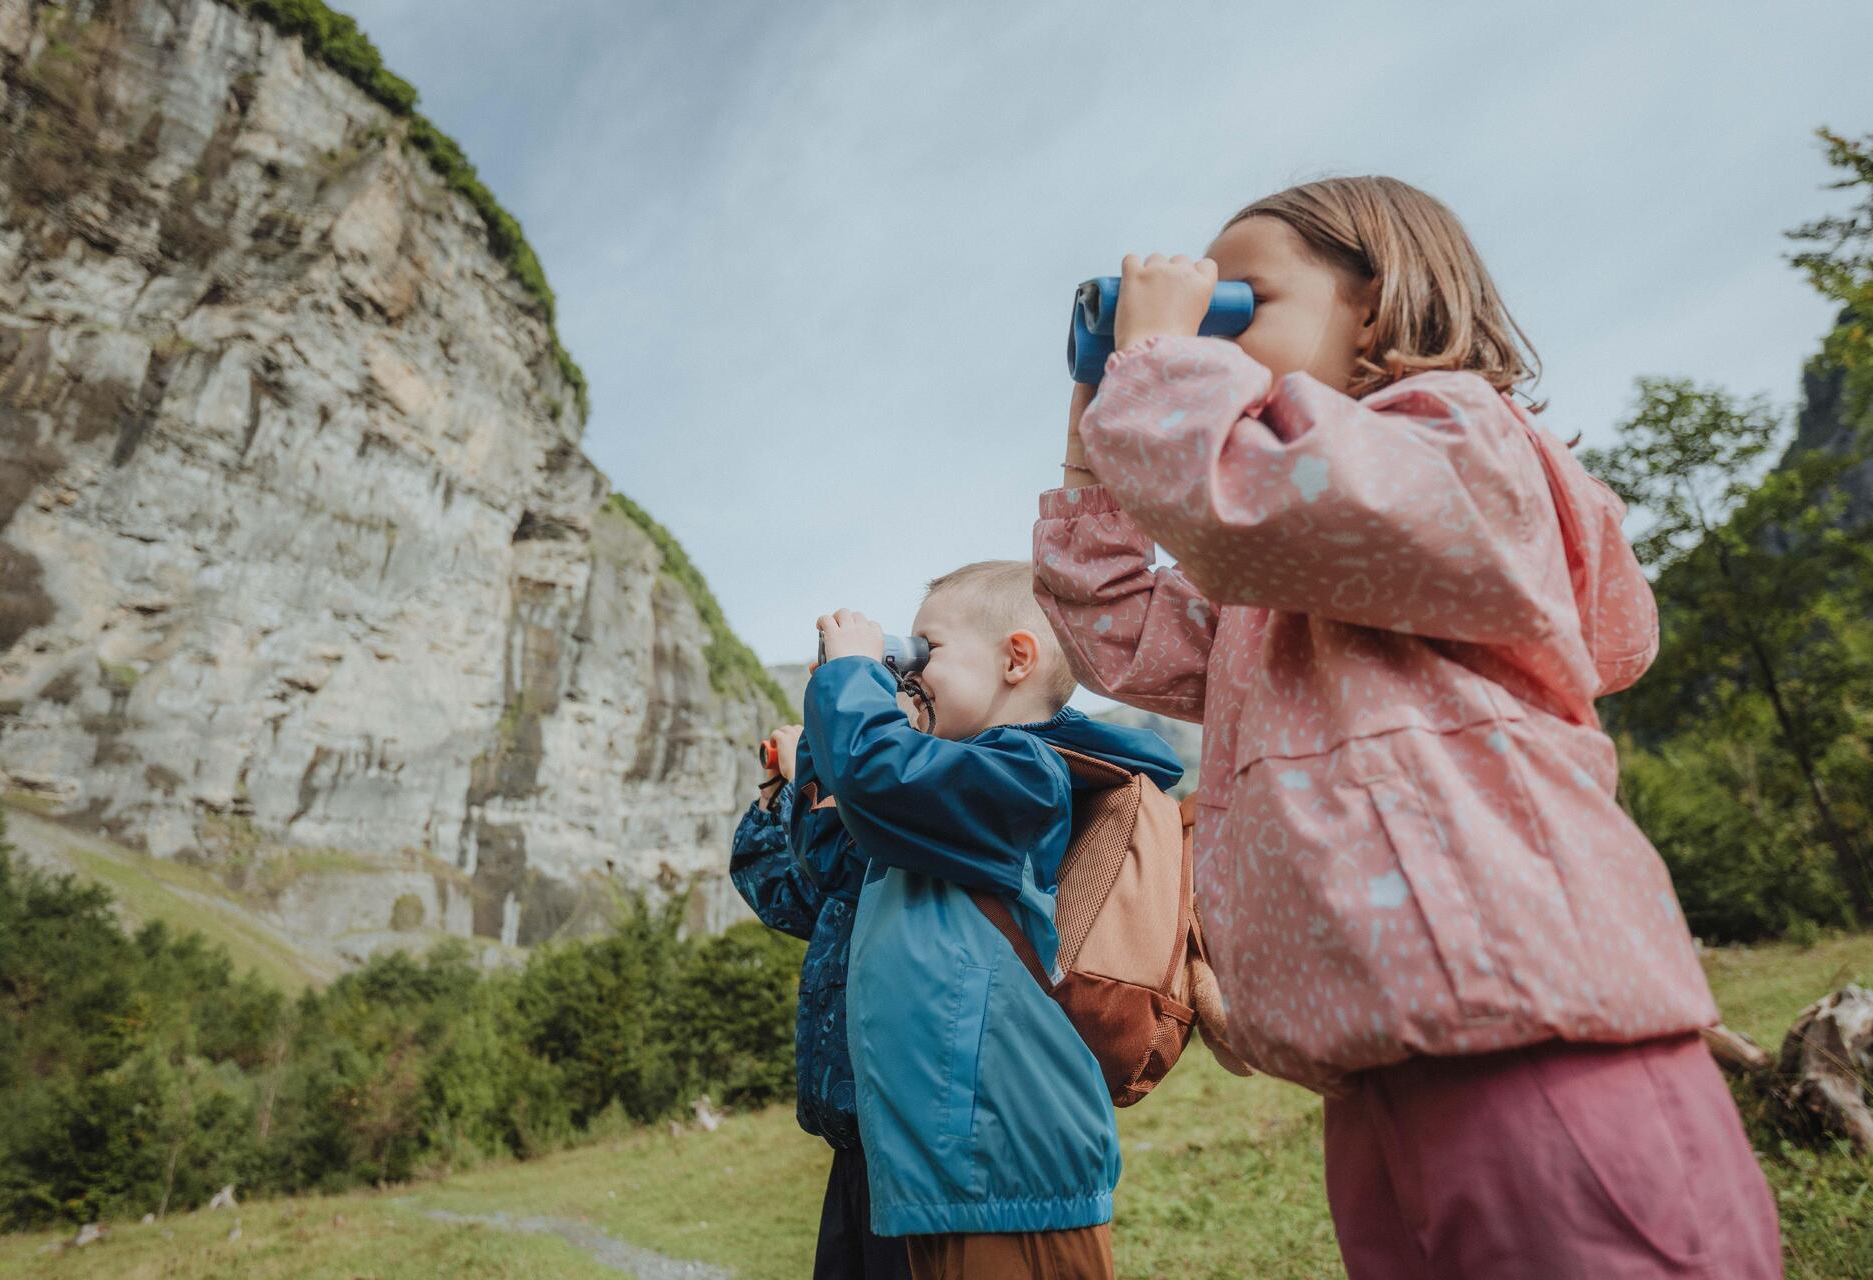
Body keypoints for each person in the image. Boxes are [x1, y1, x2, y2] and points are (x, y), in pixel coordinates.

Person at [1032, 176, 1783, 1278]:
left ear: (1376, 310)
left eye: (1237, 304)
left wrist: (1155, 367)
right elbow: (1115, 621)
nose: (1205, 341)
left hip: (1533, 1031)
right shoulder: (1281, 585)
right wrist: (1099, 440)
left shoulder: (1458, 438)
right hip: (1371, 1065)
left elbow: (1256, 500)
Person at [798, 560, 1182, 1280]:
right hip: (948, 1171)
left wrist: (855, 677)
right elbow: (831, 854)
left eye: (926, 651)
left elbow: (877, 779)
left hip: (1008, 1171)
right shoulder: (943, 801)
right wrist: (828, 710)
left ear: (1017, 658)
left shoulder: (1024, 777)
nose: (909, 674)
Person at [729, 725, 909, 1279]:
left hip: (903, 1143)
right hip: (848, 1136)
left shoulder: (898, 836)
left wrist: (819, 770)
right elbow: (778, 892)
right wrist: (772, 793)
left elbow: (844, 858)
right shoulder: (842, 878)